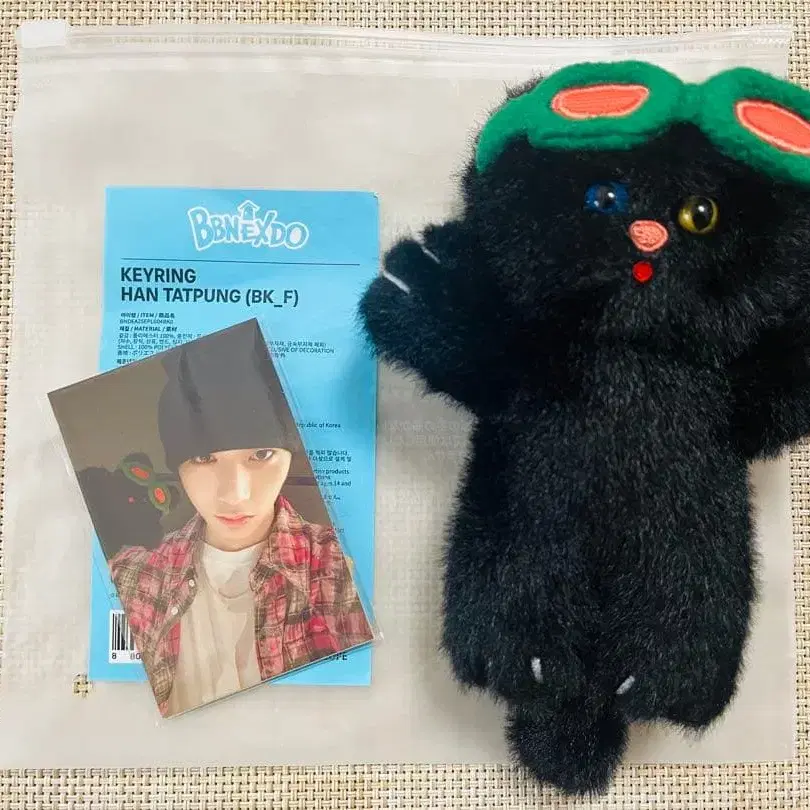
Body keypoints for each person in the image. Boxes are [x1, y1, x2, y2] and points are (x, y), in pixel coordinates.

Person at [109, 322, 374, 717]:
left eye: (261, 454)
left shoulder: (341, 570)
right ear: (177, 467)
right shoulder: (132, 576)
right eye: (203, 458)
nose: (234, 494)